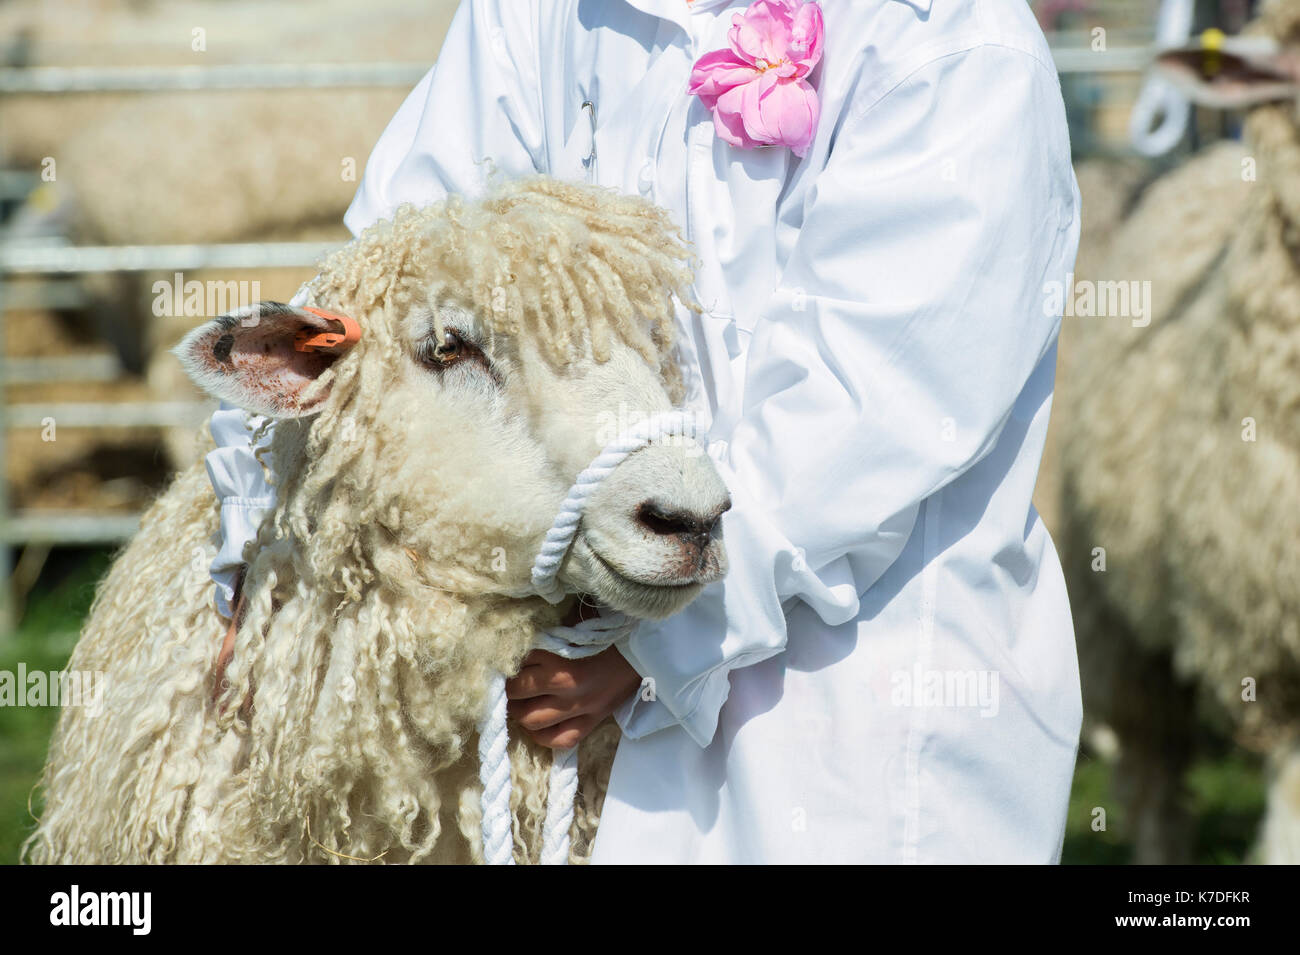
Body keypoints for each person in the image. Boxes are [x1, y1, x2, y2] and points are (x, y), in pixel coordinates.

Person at [205, 0, 1084, 863]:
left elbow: (878, 407)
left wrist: (659, 645)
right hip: (582, 676)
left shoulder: (951, 44)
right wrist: (259, 539)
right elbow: (391, 273)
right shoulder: (543, 14)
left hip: (857, 701)